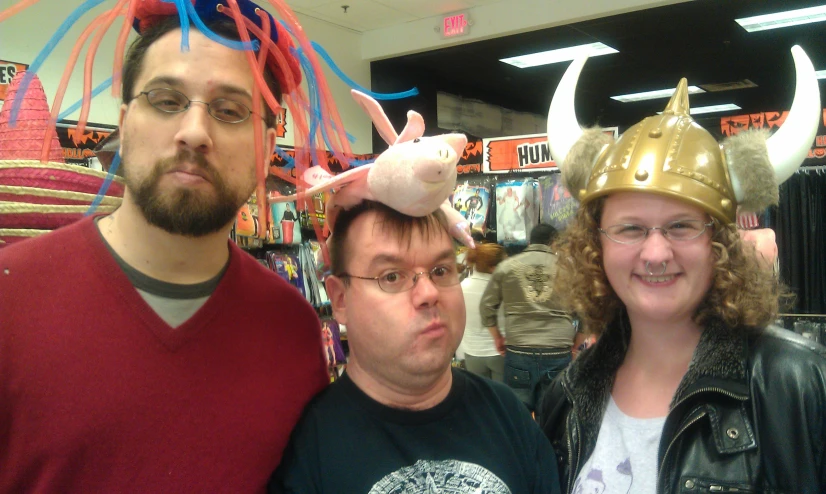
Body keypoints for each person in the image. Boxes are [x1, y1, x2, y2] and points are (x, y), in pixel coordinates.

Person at [0, 4, 329, 492]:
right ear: (126, 121)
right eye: (166, 99)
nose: (194, 132)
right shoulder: (11, 302)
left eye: (230, 110)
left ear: (266, 146)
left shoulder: (294, 333)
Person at [538, 46, 826, 493]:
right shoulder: (568, 395)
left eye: (681, 226)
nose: (655, 253)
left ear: (719, 245)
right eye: (630, 228)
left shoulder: (795, 386)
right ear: (597, 244)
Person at [271, 200, 560, 493]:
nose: (429, 292)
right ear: (341, 300)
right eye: (391, 276)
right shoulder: (310, 452)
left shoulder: (509, 415)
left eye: (440, 270)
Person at [480, 223, 576, 412]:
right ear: (554, 243)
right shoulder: (569, 270)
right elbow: (585, 311)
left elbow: (486, 306)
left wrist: (497, 336)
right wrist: (575, 343)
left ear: (530, 242)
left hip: (519, 348)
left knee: (518, 414)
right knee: (552, 414)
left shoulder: (506, 267)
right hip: (557, 350)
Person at [458, 242, 507, 381]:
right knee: (500, 398)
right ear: (493, 268)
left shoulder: (462, 286)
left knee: (481, 397)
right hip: (500, 352)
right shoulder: (503, 287)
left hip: (472, 352)